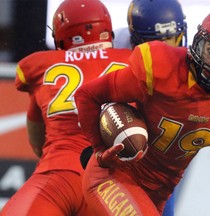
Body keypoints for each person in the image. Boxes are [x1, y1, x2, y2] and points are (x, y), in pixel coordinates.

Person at [74, 3, 210, 215]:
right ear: (199, 40)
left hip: (159, 193)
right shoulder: (161, 65)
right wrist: (99, 151)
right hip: (115, 177)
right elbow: (87, 95)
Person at [1, 0, 132, 215]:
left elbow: (37, 143)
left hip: (59, 175)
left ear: (62, 35)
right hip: (115, 185)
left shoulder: (40, 65)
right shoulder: (136, 60)